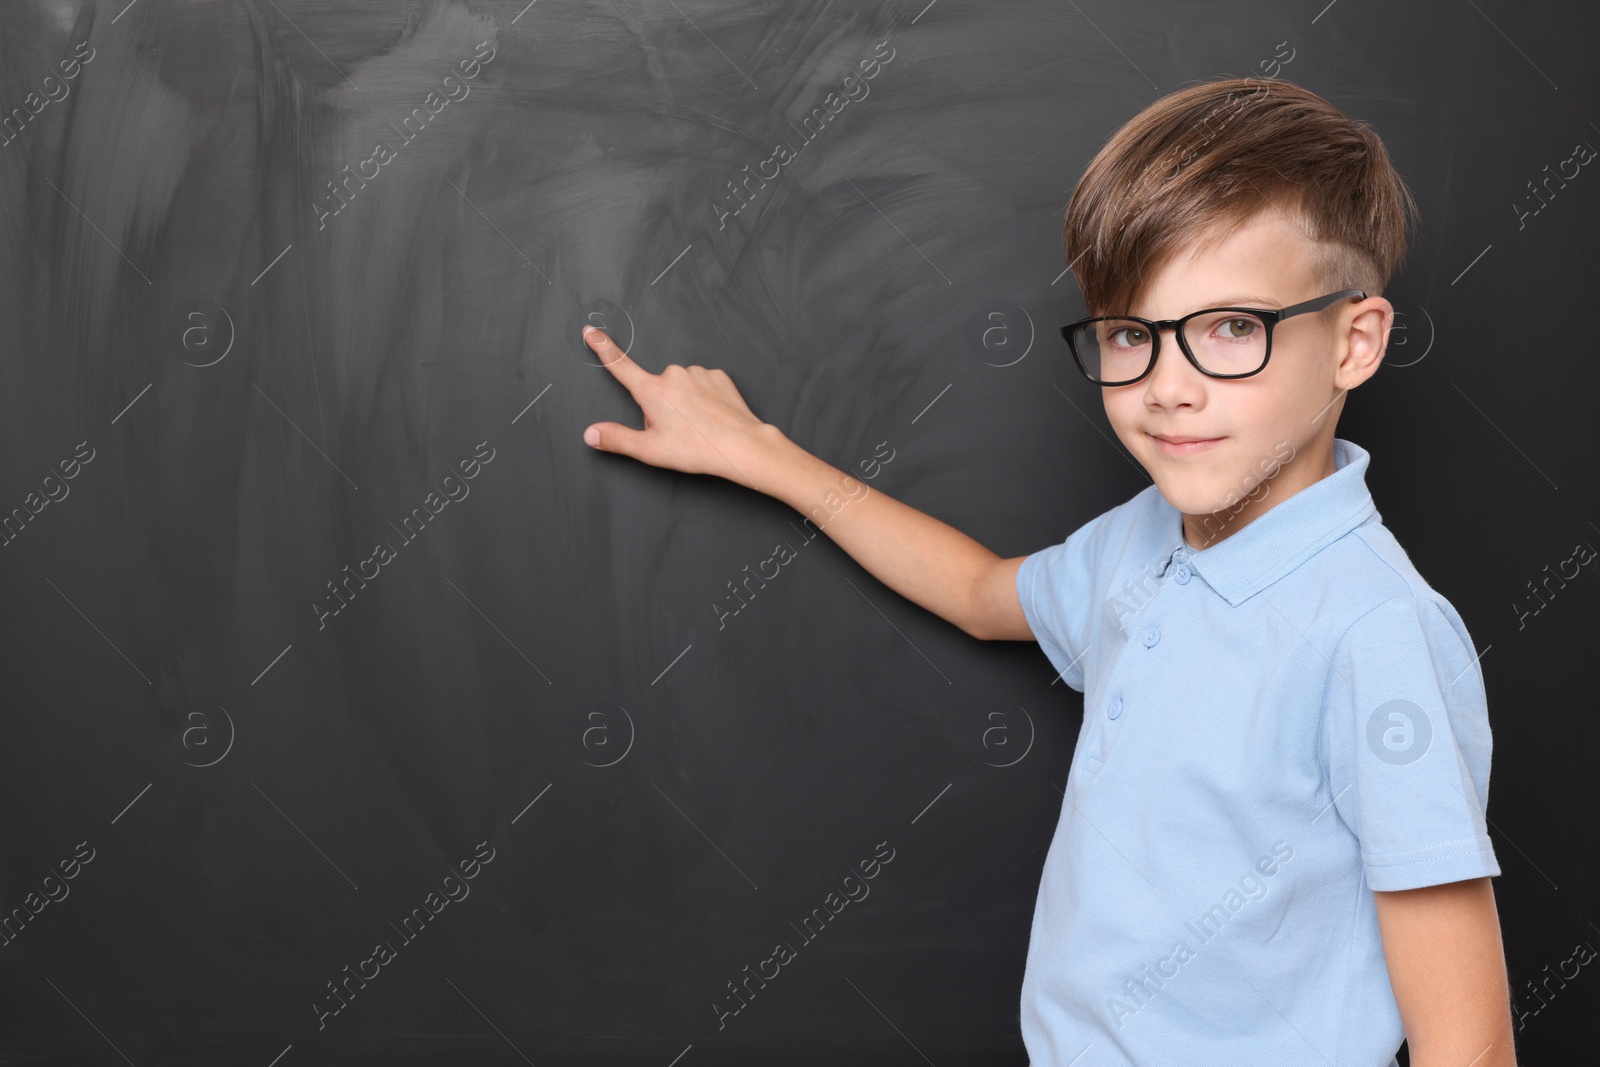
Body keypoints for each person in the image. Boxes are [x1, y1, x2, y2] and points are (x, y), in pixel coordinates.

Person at [579, 75, 1517, 1066]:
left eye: (1232, 328)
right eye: (1129, 335)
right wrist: (761, 453)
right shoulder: (1142, 538)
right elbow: (984, 593)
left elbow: (1471, 1042)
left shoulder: (1377, 632)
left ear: (1353, 342)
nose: (1166, 388)